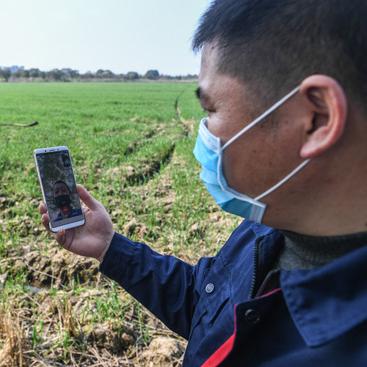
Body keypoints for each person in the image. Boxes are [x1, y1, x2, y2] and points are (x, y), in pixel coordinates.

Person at [39, 1, 367, 366]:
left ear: (316, 118)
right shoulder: (269, 226)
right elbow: (208, 305)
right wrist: (110, 248)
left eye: (210, 109)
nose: (204, 133)